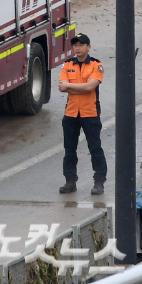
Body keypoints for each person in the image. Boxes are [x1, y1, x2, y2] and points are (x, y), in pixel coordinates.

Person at [58, 33, 107, 195]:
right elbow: (62, 87)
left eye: (81, 45)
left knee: (95, 148)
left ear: (88, 47)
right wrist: (81, 86)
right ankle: (70, 181)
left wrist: (72, 86)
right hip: (71, 113)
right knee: (69, 149)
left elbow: (89, 88)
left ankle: (99, 182)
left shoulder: (96, 65)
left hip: (90, 113)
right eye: (75, 45)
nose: (77, 48)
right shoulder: (67, 65)